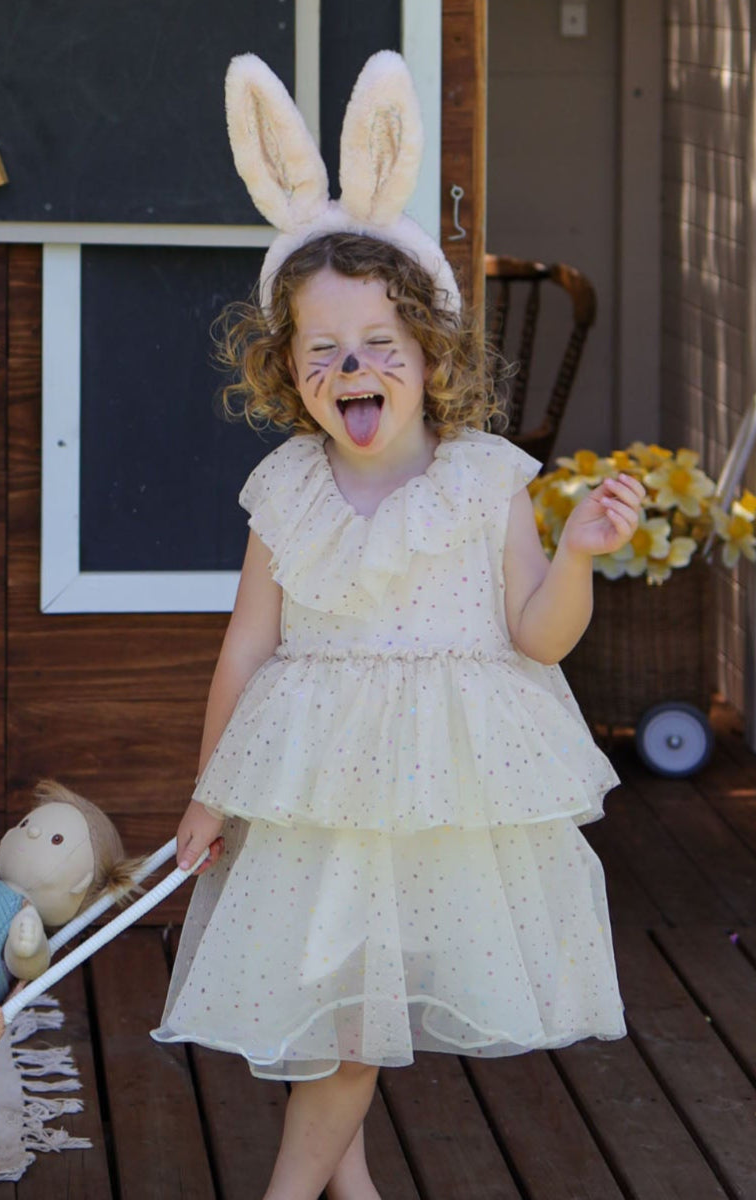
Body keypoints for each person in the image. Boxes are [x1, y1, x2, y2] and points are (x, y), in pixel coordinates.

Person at [150, 51, 642, 1200]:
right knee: (334, 1017)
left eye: (379, 343)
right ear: (289, 372)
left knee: (355, 1025)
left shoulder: (483, 482)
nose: (352, 366)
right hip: (317, 790)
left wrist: (573, 557)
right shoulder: (287, 489)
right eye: (322, 350)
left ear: (429, 353)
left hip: (431, 793)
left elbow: (537, 637)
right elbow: (247, 647)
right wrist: (208, 788)